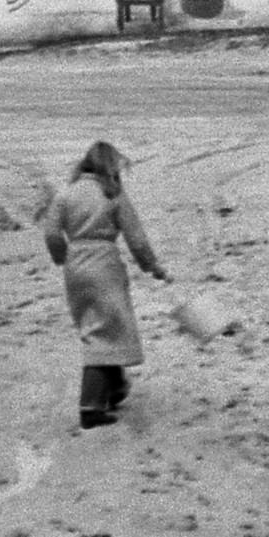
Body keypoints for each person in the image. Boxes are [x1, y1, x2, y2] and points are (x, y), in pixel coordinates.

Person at [41, 140, 170, 429]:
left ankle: (113, 388)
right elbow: (135, 238)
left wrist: (63, 255)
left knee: (97, 324)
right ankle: (91, 406)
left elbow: (50, 232)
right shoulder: (112, 194)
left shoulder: (67, 192)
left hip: (75, 265)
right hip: (104, 262)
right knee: (108, 328)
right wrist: (152, 266)